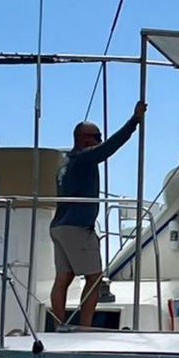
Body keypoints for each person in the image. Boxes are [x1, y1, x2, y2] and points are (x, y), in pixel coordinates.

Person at [49, 101, 147, 329]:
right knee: (94, 279)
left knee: (63, 277)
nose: (99, 141)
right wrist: (134, 121)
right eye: (96, 136)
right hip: (77, 228)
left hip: (58, 227)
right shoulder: (84, 158)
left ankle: (58, 325)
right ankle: (85, 327)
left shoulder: (64, 164)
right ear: (84, 139)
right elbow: (110, 147)